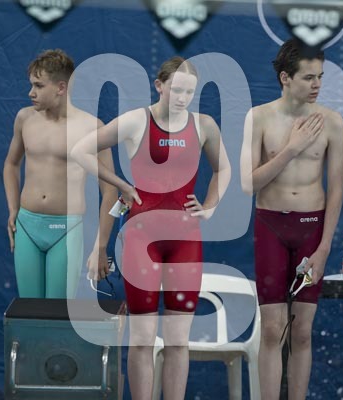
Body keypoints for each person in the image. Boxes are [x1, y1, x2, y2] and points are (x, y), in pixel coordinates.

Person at [72, 56, 230, 399]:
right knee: (142, 339)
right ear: (159, 86)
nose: (183, 98)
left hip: (185, 241)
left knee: (178, 341)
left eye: (189, 92)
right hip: (142, 241)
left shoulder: (203, 125)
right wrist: (122, 184)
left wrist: (210, 206)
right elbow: (82, 150)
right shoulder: (136, 121)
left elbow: (224, 169)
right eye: (176, 90)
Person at [240, 38, 343, 400]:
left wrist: (324, 248)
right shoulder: (259, 117)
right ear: (285, 77)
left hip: (311, 233)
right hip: (271, 226)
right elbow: (248, 183)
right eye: (308, 77)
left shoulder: (332, 123)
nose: (317, 84)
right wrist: (292, 149)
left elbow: (336, 190)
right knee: (273, 329)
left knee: (301, 332)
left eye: (320, 77)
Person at [3, 49, 117, 299]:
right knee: (29, 310)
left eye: (38, 86)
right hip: (26, 225)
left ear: (61, 87)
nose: (30, 92)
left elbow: (110, 191)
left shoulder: (92, 128)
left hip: (65, 230)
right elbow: (11, 164)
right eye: (31, 85)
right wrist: (13, 209)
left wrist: (100, 246)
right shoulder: (24, 118)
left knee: (57, 312)